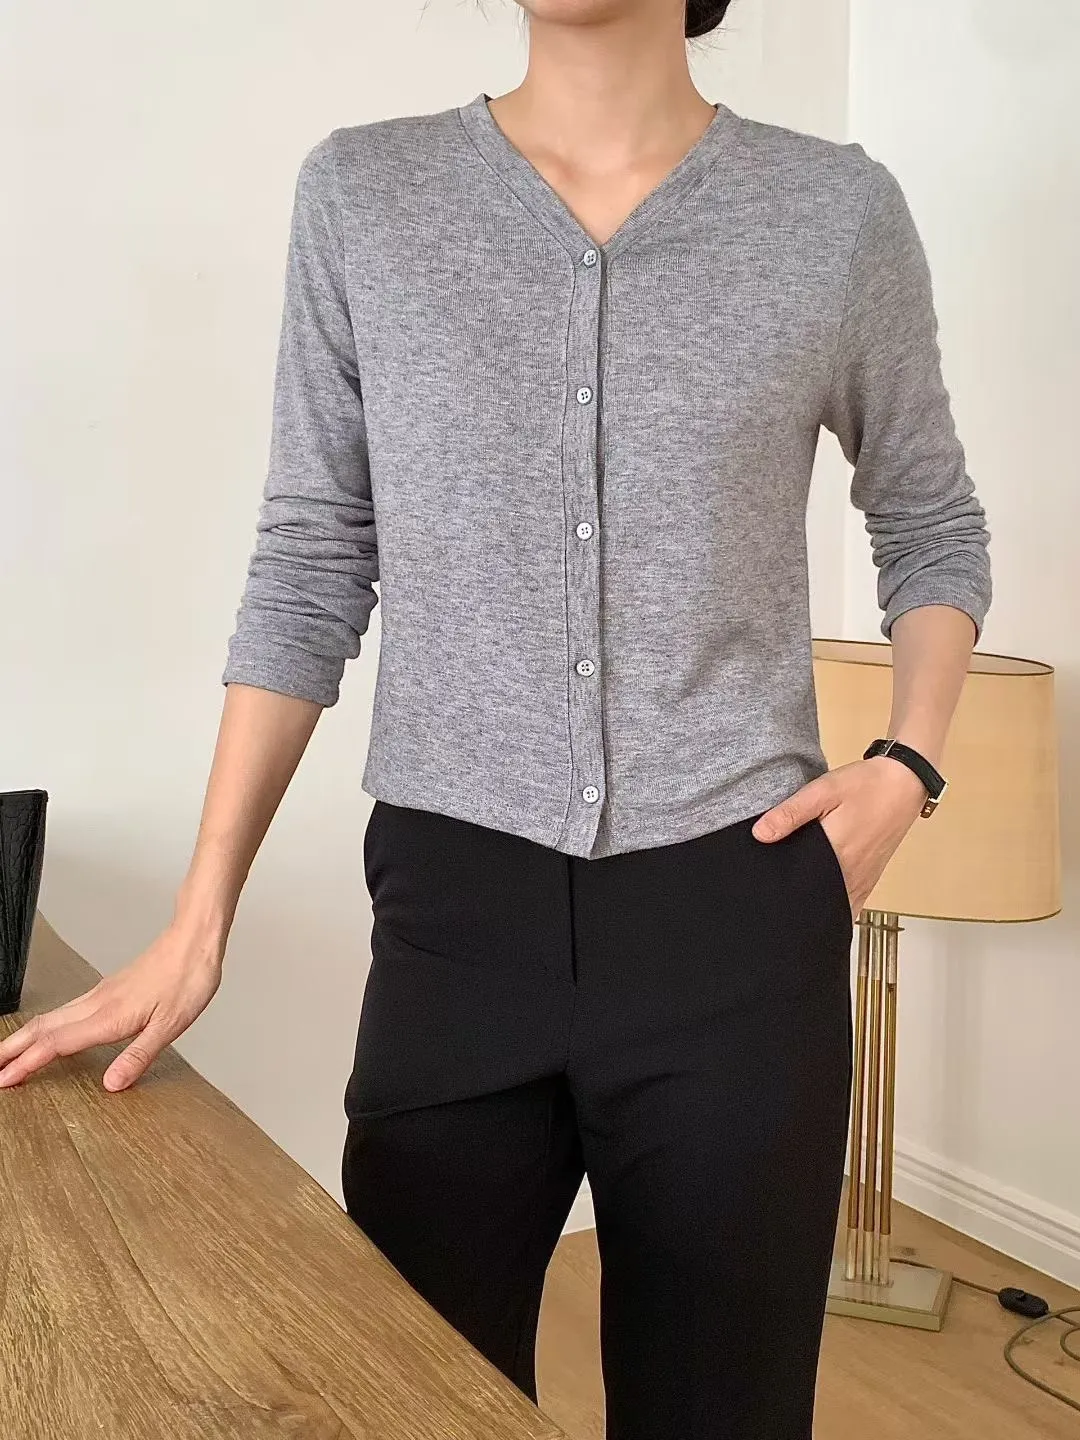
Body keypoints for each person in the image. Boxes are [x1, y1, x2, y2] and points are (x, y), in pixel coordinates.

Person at [0, 1, 992, 1435]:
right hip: (457, 920)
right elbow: (312, 557)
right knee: (415, 1400)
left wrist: (909, 761)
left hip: (736, 917)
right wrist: (198, 919)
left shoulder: (832, 213)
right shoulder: (367, 195)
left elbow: (931, 521)